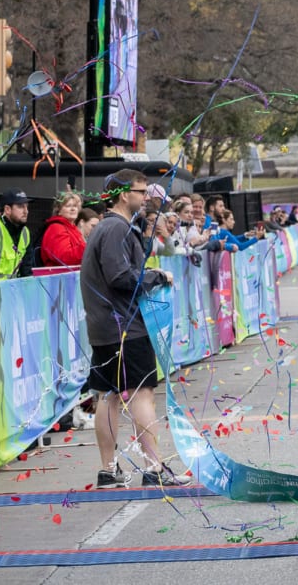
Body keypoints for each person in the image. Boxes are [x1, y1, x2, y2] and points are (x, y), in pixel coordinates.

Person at [80, 169, 191, 489]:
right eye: (141, 192)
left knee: (109, 396)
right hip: (123, 327)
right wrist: (158, 276)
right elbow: (121, 278)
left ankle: (108, 470)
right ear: (123, 194)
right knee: (141, 393)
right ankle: (154, 468)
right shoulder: (114, 228)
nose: (147, 198)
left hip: (108, 326)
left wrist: (142, 234)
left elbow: (130, 266)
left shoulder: (116, 227)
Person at [40, 190, 87, 269]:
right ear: (59, 211)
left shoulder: (72, 228)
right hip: (59, 278)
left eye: (75, 206)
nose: (73, 209)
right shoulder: (56, 228)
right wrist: (85, 247)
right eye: (68, 206)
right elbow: (65, 258)